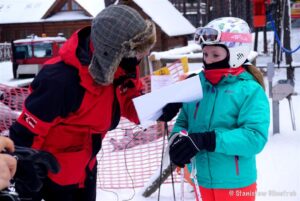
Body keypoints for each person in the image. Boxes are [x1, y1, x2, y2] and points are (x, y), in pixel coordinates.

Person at [9, 4, 156, 201]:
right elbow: (25, 132)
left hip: (85, 170)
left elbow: (128, 103)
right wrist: (25, 170)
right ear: (112, 52)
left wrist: (159, 107)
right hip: (51, 177)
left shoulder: (120, 70)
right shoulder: (61, 81)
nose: (143, 56)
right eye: (138, 51)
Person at [168, 17, 270, 201]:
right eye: (205, 55)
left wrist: (208, 140)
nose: (208, 61)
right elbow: (183, 121)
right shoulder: (197, 84)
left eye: (215, 55)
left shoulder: (249, 90)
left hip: (235, 184)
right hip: (201, 179)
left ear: (236, 54)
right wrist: (178, 140)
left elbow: (255, 137)